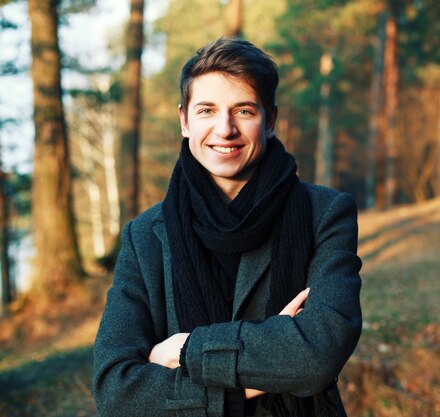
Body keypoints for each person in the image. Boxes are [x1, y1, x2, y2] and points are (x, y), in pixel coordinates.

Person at [92, 37, 362, 417]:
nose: (225, 129)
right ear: (184, 121)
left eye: (243, 111)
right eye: (206, 110)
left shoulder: (325, 213)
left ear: (270, 120)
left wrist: (184, 350)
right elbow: (115, 392)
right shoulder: (145, 235)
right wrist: (248, 380)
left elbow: (319, 353)